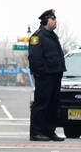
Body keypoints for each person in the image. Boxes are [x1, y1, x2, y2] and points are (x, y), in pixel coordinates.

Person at [27, 9, 66, 142]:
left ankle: (50, 132)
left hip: (55, 75)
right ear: (45, 21)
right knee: (41, 104)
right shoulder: (37, 37)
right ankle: (36, 133)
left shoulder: (52, 36)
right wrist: (40, 73)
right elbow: (34, 58)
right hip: (45, 76)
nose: (55, 21)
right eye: (53, 19)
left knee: (52, 105)